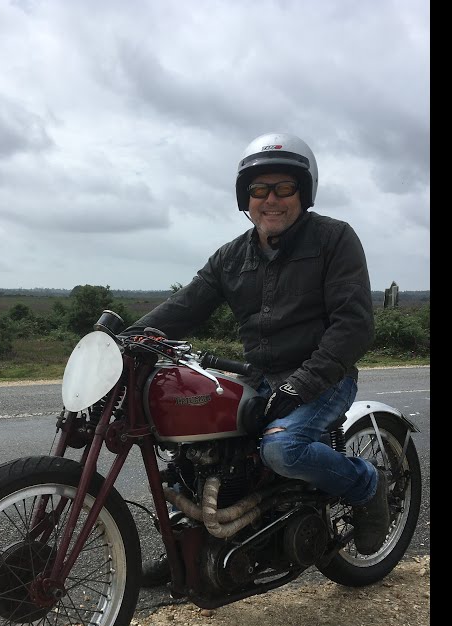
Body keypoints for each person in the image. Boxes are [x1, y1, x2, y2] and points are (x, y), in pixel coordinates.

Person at [128, 131, 392, 588]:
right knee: (187, 438)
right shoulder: (231, 257)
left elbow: (354, 326)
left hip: (324, 377)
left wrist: (301, 384)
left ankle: (366, 484)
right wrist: (126, 338)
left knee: (282, 450)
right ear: (245, 198)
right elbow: (183, 308)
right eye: (259, 189)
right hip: (259, 376)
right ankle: (186, 544)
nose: (271, 199)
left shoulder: (334, 239)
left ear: (302, 192)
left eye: (284, 188)